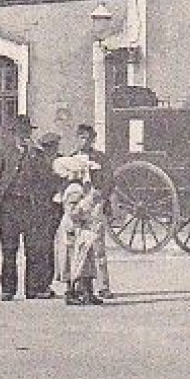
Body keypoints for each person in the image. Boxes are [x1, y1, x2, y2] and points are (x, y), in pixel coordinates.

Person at [0, 115, 43, 301]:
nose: (23, 137)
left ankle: (32, 289)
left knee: (33, 249)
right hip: (10, 206)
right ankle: (8, 289)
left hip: (30, 205)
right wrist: (0, 204)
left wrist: (35, 155)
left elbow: (43, 179)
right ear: (13, 134)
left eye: (26, 133)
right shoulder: (4, 152)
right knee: (9, 250)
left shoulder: (36, 154)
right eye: (20, 133)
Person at [53, 154, 105, 306]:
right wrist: (88, 202)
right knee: (74, 260)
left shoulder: (77, 187)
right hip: (74, 228)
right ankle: (72, 293)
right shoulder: (74, 189)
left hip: (80, 228)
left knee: (85, 260)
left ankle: (87, 292)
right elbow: (73, 212)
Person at [73, 124, 113, 299]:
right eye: (81, 137)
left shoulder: (100, 159)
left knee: (98, 246)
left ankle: (103, 286)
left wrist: (102, 197)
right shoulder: (72, 159)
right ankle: (80, 285)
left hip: (96, 204)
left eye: (88, 138)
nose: (85, 141)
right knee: (79, 247)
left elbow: (109, 181)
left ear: (93, 139)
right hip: (79, 205)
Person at [23, 131, 64, 299]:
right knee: (38, 249)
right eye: (50, 147)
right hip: (38, 209)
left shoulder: (59, 160)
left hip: (53, 209)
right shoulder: (36, 163)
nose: (53, 150)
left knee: (47, 248)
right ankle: (35, 287)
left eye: (54, 146)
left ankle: (43, 285)